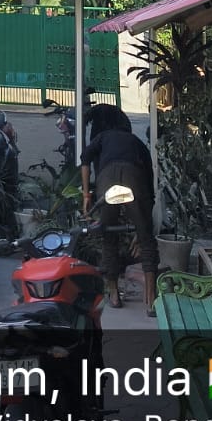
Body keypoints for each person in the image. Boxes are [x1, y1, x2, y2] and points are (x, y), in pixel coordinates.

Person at [79, 105, 158, 314]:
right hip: (135, 177)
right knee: (147, 241)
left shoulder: (102, 137)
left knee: (108, 235)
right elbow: (150, 188)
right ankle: (151, 301)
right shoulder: (136, 141)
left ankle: (114, 294)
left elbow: (85, 158)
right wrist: (142, 228)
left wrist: (86, 194)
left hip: (107, 179)